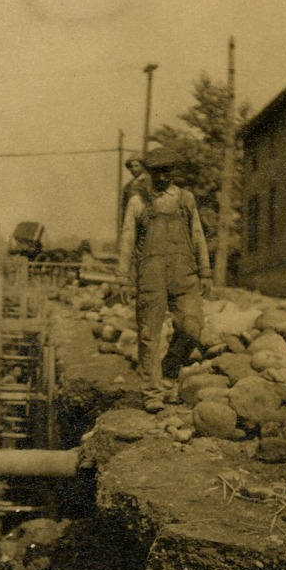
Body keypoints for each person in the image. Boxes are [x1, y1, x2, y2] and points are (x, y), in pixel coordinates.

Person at [117, 147, 211, 413]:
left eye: (167, 171)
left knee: (193, 328)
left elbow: (198, 235)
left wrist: (205, 271)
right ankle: (152, 393)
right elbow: (127, 239)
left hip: (184, 273)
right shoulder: (138, 201)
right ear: (149, 173)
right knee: (149, 335)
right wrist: (123, 278)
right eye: (157, 172)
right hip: (151, 274)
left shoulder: (185, 199)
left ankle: (170, 369)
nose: (162, 177)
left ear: (173, 172)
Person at [120, 153, 151, 223]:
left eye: (137, 166)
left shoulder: (148, 181)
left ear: (143, 166)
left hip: (145, 218)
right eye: (131, 167)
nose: (134, 169)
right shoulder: (128, 186)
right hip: (131, 218)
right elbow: (124, 207)